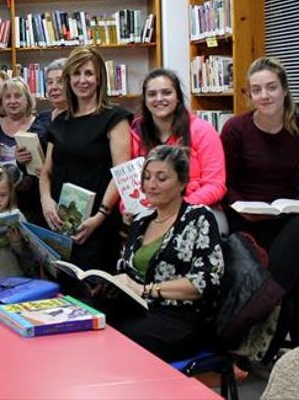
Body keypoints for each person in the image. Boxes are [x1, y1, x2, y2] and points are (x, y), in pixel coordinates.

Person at [104, 145, 224, 362]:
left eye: (161, 178)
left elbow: (205, 282)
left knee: (121, 345)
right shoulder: (141, 220)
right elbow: (124, 270)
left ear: (182, 182)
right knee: (88, 324)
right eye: (147, 177)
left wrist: (146, 290)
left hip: (180, 317)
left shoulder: (199, 217)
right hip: (136, 309)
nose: (151, 185)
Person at [221, 56, 299, 349]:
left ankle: (266, 320)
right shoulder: (236, 129)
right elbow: (225, 183)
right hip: (246, 216)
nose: (264, 96)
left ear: (284, 90)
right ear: (249, 94)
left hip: (289, 216)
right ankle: (271, 328)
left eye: (271, 87)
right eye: (256, 90)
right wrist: (242, 206)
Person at [39, 48, 132, 272]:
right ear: (68, 79)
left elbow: (121, 173)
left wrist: (100, 216)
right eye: (76, 74)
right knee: (61, 291)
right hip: (60, 223)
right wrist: (46, 201)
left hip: (97, 224)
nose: (82, 80)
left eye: (89, 73)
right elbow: (46, 171)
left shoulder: (115, 118)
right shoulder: (60, 121)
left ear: (99, 78)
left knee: (93, 292)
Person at [130, 69, 226, 210]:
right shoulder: (136, 133)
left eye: (166, 93)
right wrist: (128, 208)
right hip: (150, 212)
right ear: (145, 100)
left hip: (197, 209)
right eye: (151, 94)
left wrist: (178, 208)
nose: (159, 98)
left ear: (178, 97)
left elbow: (215, 185)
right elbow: (129, 183)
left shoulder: (202, 130)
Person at [0, 77, 49, 224]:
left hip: (36, 201)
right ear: (1, 101)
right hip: (0, 203)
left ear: (28, 99)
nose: (12, 101)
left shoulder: (42, 126)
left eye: (18, 96)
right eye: (7, 97)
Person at [36, 58, 69, 128]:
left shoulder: (80, 119)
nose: (54, 87)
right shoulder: (42, 118)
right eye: (50, 82)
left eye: (60, 81)